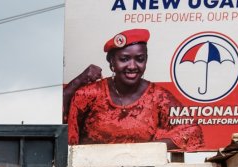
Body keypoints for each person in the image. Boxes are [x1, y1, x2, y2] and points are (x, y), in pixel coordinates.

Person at [65, 29, 204, 150]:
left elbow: (192, 130)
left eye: (140, 59)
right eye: (124, 59)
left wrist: (152, 148)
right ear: (111, 61)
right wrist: (78, 80)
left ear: (146, 60)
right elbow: (66, 133)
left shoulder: (158, 97)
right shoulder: (90, 94)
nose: (132, 66)